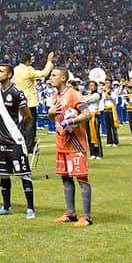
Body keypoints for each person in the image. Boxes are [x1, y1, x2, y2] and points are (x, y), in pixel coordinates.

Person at [48, 67, 93, 227]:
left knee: (81, 177)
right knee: (65, 178)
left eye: (54, 75)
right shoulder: (54, 96)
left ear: (63, 78)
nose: (51, 77)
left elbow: (87, 114)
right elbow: (53, 117)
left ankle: (86, 217)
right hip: (61, 143)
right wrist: (51, 113)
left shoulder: (73, 95)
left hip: (76, 144)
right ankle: (70, 213)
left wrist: (71, 121)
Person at [0, 63, 36, 219]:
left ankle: (30, 208)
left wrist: (19, 131)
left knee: (23, 174)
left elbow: (28, 116)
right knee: (3, 175)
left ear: (9, 75)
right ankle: (6, 206)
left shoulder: (17, 93)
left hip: (15, 140)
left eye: (1, 71)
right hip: (1, 141)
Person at [13, 52, 54, 151]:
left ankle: (20, 143)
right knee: (30, 125)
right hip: (29, 101)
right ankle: (29, 146)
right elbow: (43, 73)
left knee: (20, 124)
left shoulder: (15, 69)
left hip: (18, 100)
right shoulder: (28, 70)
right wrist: (49, 62)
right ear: (27, 61)